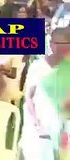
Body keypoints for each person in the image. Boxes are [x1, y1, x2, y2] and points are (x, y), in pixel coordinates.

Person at [20, 27, 70, 160]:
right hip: (38, 133)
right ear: (51, 44)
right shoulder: (37, 67)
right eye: (57, 44)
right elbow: (29, 98)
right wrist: (37, 124)